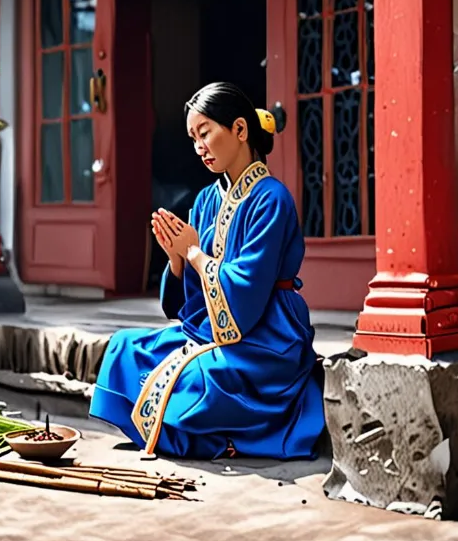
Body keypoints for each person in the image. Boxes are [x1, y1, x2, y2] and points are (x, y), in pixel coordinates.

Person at [89, 82, 325, 459]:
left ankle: (215, 439)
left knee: (202, 379)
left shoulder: (272, 199)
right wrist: (177, 261)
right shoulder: (205, 200)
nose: (199, 146)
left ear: (240, 130)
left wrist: (195, 253)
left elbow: (247, 294)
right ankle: (193, 433)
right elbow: (193, 306)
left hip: (266, 334)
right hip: (211, 328)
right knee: (122, 347)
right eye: (192, 138)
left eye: (205, 133)